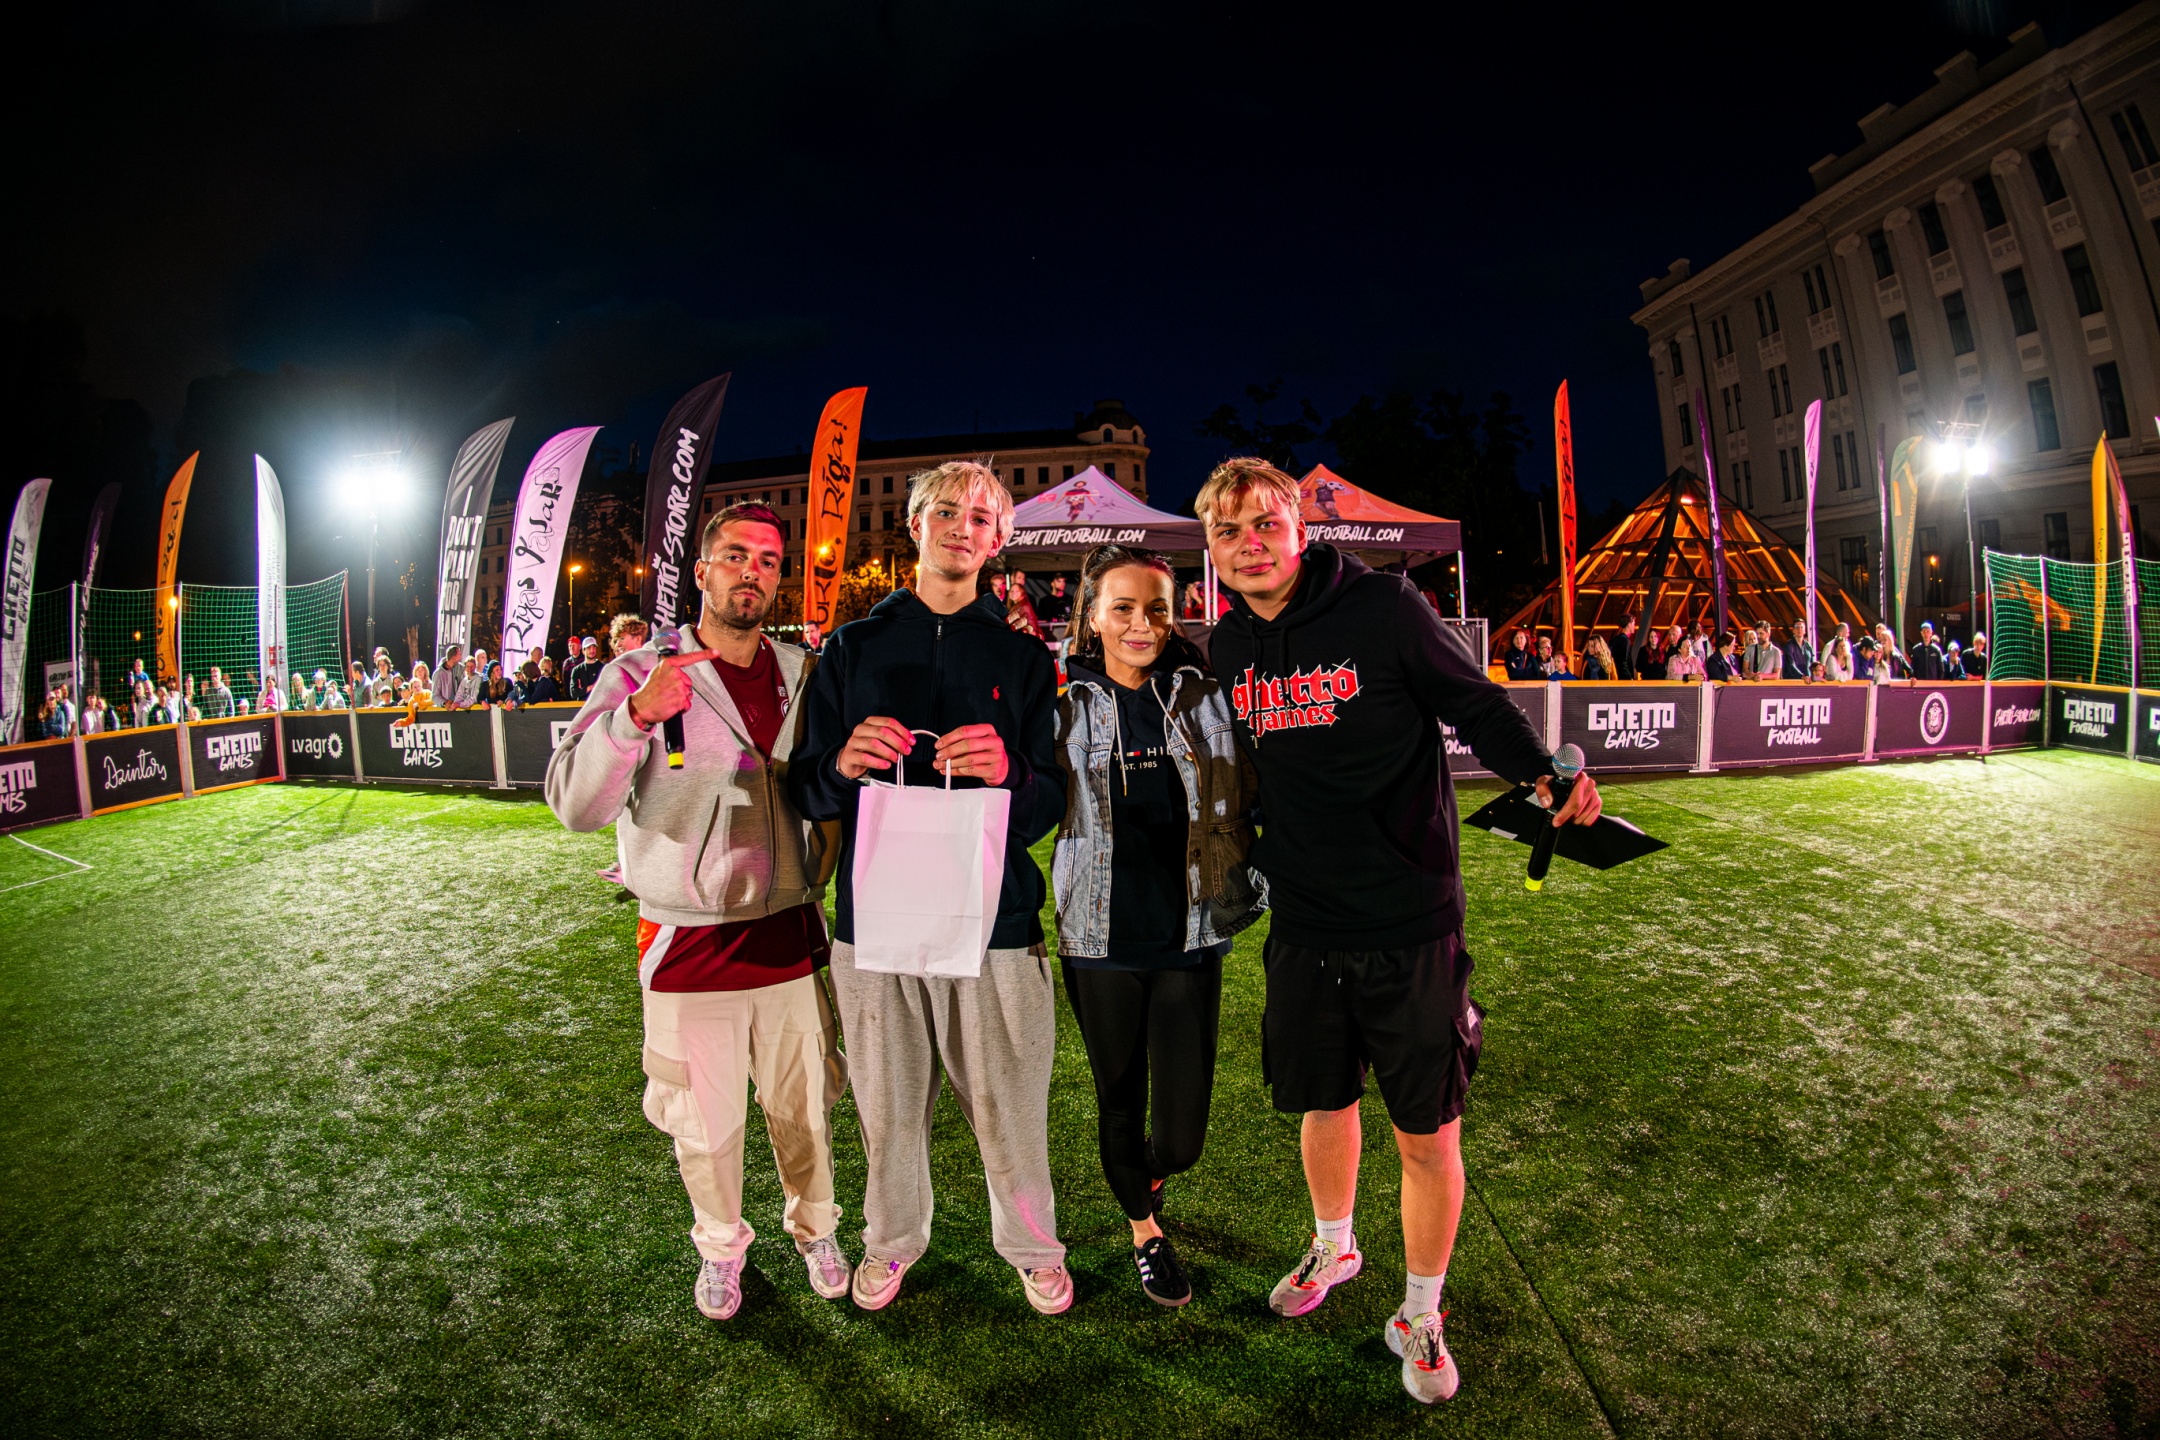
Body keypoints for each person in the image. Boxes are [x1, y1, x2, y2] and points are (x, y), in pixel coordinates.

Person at [1198, 457, 1601, 1406]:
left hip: (1409, 919)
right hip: (1303, 922)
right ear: (1211, 550)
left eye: (1264, 524)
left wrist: (1543, 774)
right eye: (1228, 532)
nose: (1249, 545)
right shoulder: (1226, 645)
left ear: (1299, 529)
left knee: (1425, 1131)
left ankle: (1422, 1309)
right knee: (1323, 1104)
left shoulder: (1382, 607)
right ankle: (1334, 1247)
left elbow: (1476, 705)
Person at [547, 502, 850, 1324]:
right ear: (703, 570)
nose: (752, 570)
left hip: (789, 929)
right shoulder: (638, 672)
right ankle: (720, 1246)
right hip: (687, 939)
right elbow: (573, 805)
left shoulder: (804, 671)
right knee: (703, 1126)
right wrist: (635, 717)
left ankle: (818, 1230)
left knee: (805, 1111)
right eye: (736, 554)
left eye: (769, 560)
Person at [788, 460, 1073, 1316]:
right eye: (945, 511)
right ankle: (891, 1240)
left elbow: (1050, 802)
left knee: (1011, 1108)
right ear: (914, 525)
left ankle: (1032, 1247)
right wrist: (841, 763)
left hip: (997, 921)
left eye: (981, 517)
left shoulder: (1024, 657)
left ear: (999, 540)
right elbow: (806, 787)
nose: (962, 527)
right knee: (887, 1108)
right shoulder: (850, 647)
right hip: (876, 921)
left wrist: (1010, 772)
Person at [1053, 544, 1265, 1307]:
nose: (1141, 624)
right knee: (1118, 1100)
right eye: (1123, 608)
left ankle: (1150, 1176)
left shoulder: (1205, 695)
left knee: (1180, 1138)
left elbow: (1259, 782)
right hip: (1098, 939)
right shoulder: (1062, 703)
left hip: (1190, 935)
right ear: (1093, 617)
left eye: (1156, 609)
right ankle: (1145, 1232)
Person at [1613, 613, 1640, 681]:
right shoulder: (1624, 640)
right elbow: (1623, 662)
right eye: (1633, 624)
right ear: (1628, 625)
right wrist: (1629, 678)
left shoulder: (1618, 638)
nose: (1634, 626)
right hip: (1624, 680)